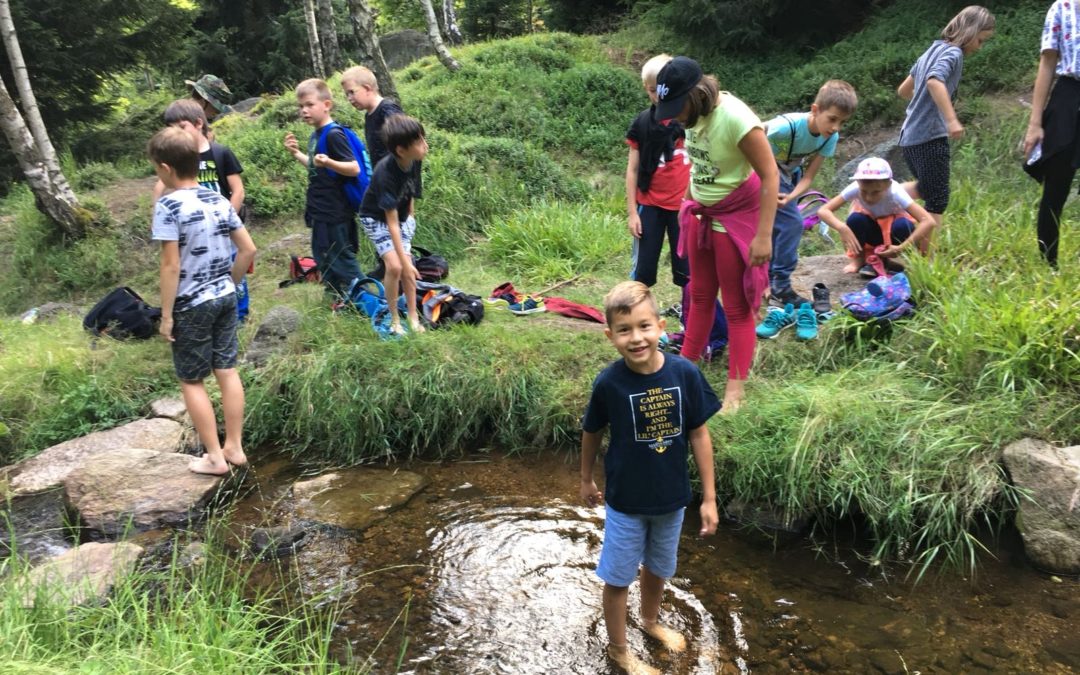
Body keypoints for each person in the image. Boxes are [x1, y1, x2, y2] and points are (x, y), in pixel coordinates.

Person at [580, 280, 720, 675]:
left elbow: (699, 433)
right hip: (625, 501)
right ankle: (620, 649)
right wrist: (587, 479)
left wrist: (708, 498)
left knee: (659, 567)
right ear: (611, 336)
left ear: (660, 326)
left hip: (671, 498)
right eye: (625, 330)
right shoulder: (610, 383)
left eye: (644, 326)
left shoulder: (684, 373)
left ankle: (651, 620)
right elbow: (592, 431)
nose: (636, 338)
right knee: (618, 576)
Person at [654, 56, 777, 412]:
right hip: (702, 214)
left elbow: (769, 176)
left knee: (737, 308)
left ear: (698, 94)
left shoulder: (738, 120)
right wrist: (687, 200)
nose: (676, 116)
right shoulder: (693, 114)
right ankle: (685, 368)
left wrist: (764, 237)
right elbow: (702, 167)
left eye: (679, 107)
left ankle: (734, 392)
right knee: (700, 295)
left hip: (734, 215)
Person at [148, 127, 256, 475]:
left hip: (190, 304)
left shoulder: (167, 205)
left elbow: (171, 264)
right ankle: (234, 448)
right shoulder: (217, 199)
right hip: (224, 296)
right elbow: (248, 249)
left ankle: (213, 457)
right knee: (226, 369)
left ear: (165, 168)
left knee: (191, 379)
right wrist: (230, 283)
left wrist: (166, 316)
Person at [897, 5, 995, 247]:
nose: (979, 47)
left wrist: (923, 106)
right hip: (930, 136)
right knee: (938, 198)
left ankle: (879, 191)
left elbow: (903, 90)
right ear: (970, 31)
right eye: (981, 40)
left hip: (909, 136)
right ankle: (927, 259)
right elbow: (934, 81)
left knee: (928, 189)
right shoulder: (954, 54)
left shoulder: (931, 50)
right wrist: (950, 119)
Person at [153, 99, 251, 322]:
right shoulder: (177, 159)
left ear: (198, 123)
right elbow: (160, 186)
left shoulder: (220, 153)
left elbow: (238, 191)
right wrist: (158, 213)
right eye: (171, 130)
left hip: (226, 227)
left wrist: (227, 223)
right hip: (194, 230)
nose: (176, 134)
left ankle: (239, 315)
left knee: (235, 267)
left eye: (180, 127)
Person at [764, 80, 857, 306]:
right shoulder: (786, 127)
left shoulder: (830, 138)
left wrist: (791, 196)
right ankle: (781, 285)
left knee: (780, 227)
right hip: (762, 170)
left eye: (842, 122)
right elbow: (751, 135)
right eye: (832, 119)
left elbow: (808, 176)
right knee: (792, 224)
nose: (835, 127)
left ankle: (767, 283)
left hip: (789, 177)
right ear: (815, 110)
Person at [283, 78, 363, 298]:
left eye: (309, 105)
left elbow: (354, 168)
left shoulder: (334, 134)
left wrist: (329, 162)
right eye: (301, 107)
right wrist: (296, 153)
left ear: (326, 105)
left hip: (335, 210)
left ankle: (365, 296)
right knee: (323, 255)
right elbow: (316, 166)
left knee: (341, 255)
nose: (304, 111)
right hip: (320, 209)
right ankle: (336, 296)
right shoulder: (315, 134)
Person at [625, 53, 690, 291]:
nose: (658, 96)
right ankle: (640, 319)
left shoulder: (689, 121)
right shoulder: (642, 123)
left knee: (688, 271)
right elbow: (632, 170)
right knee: (642, 272)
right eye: (652, 91)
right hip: (649, 207)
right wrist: (633, 212)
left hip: (684, 208)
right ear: (646, 89)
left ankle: (690, 318)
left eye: (662, 90)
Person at [358, 114, 427, 335]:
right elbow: (391, 222)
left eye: (423, 139)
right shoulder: (384, 173)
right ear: (400, 150)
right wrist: (404, 262)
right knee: (396, 267)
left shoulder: (415, 161)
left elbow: (410, 193)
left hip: (402, 218)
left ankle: (414, 318)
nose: (425, 145)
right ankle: (394, 318)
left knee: (407, 268)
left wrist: (411, 219)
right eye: (418, 142)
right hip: (375, 217)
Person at [1023, 0, 1079, 268]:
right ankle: (1049, 264)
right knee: (1056, 185)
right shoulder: (1062, 8)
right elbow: (1047, 64)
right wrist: (1035, 123)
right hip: (1068, 97)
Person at [815, 157, 935, 276]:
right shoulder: (856, 187)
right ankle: (859, 260)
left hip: (895, 235)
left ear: (887, 185)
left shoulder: (895, 192)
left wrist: (902, 247)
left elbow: (928, 221)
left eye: (875, 192)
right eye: (864, 192)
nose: (869, 198)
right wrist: (842, 228)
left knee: (903, 226)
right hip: (874, 231)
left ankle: (897, 260)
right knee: (855, 220)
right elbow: (823, 211)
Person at [341, 65, 406, 168]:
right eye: (347, 94)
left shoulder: (388, 110)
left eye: (352, 92)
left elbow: (405, 144)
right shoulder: (369, 115)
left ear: (367, 88)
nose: (349, 98)